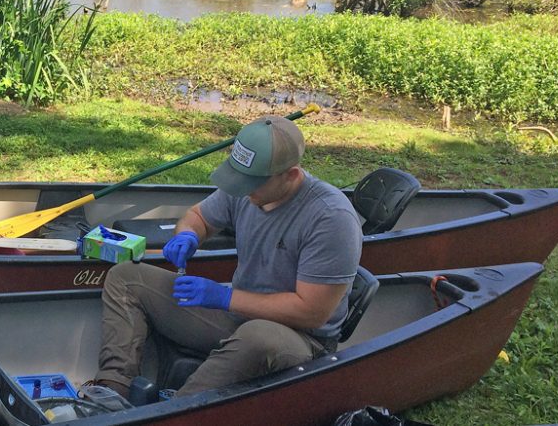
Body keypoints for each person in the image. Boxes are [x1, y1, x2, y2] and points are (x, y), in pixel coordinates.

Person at [89, 115, 362, 397]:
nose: (243, 190)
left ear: (290, 175)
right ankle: (111, 392)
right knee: (126, 278)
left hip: (301, 338)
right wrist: (188, 235)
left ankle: (175, 410)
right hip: (238, 315)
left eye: (252, 183)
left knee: (258, 338)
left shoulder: (331, 217)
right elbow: (198, 216)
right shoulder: (247, 190)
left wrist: (225, 297)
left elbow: (312, 312)